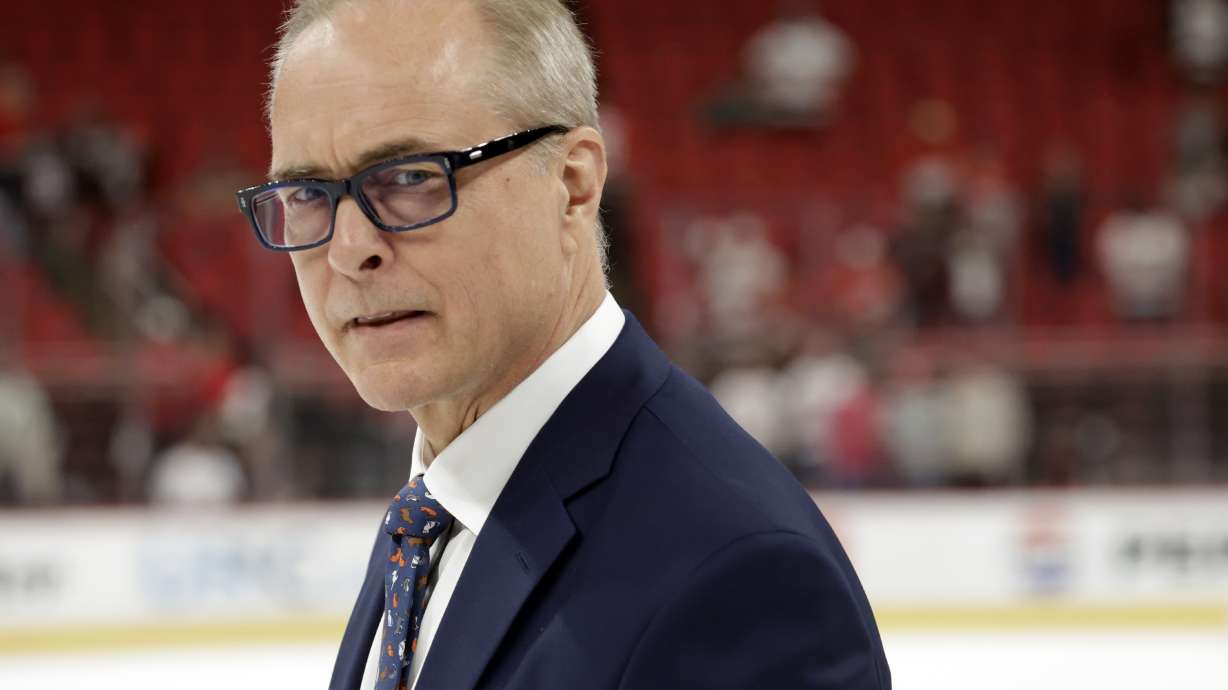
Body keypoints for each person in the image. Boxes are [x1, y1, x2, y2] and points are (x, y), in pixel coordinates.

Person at [238, 1, 889, 689]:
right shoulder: (433, 516)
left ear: (573, 186)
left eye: (409, 179)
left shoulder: (737, 574)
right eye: (306, 192)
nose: (347, 250)